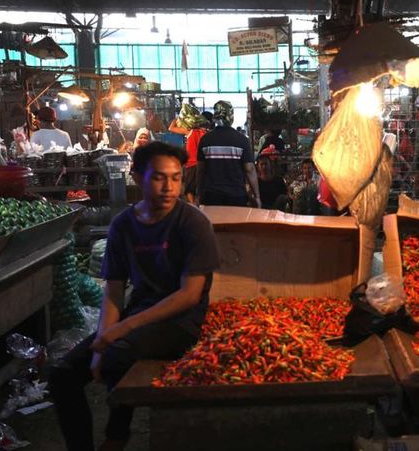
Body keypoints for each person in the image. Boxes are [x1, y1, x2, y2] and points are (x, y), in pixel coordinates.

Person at [48, 141, 219, 451]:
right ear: (137, 178)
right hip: (138, 315)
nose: (169, 187)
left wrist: (119, 332)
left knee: (117, 355)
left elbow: (190, 295)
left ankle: (116, 436)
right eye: (158, 177)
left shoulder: (193, 223)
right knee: (62, 376)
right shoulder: (123, 226)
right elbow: (113, 290)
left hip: (182, 323)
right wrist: (101, 340)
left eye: (176, 178)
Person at [197, 100, 260, 207]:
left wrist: (198, 193)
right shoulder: (242, 140)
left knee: (214, 224)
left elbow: (200, 170)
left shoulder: (205, 140)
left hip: (211, 196)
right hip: (236, 196)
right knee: (235, 224)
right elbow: (249, 169)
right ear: (231, 116)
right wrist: (257, 196)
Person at [182, 112, 212, 203]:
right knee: (199, 188)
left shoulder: (191, 131)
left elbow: (171, 127)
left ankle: (194, 207)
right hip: (202, 164)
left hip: (191, 164)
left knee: (189, 189)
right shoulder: (207, 134)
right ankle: (197, 206)